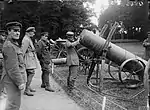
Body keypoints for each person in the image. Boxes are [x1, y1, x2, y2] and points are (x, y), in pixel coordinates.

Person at [1, 21, 26, 110]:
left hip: (12, 78)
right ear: (8, 31)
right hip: (11, 80)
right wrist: (20, 82)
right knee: (13, 105)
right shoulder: (9, 46)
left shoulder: (13, 44)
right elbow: (12, 68)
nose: (17, 33)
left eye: (18, 31)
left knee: (13, 104)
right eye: (15, 30)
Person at [21, 27, 37, 96]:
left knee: (29, 73)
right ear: (28, 32)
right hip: (28, 58)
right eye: (32, 32)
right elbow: (23, 51)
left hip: (30, 58)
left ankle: (28, 86)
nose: (34, 33)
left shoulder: (28, 39)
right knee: (31, 72)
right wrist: (21, 61)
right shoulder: (26, 40)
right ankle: (27, 89)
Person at [0, 30, 7, 97]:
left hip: (3, 62)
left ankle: (2, 90)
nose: (4, 37)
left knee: (3, 77)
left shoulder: (4, 43)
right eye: (2, 35)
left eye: (5, 36)